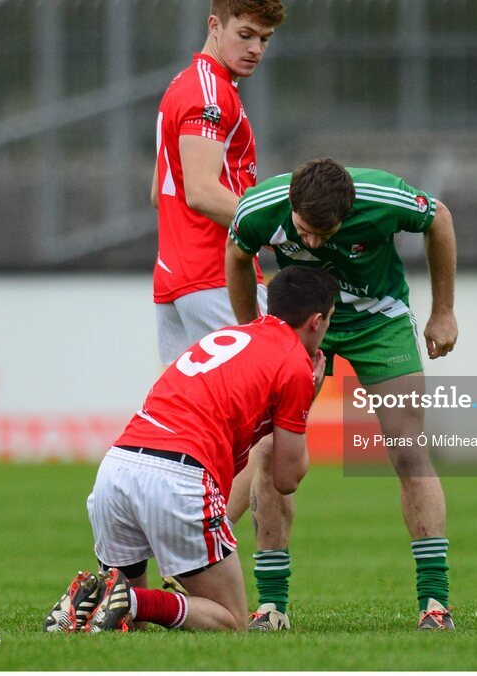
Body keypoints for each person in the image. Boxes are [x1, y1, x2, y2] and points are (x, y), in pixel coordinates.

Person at [225, 158, 459, 630]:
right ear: (291, 206)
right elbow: (235, 255)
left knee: (408, 451)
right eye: (303, 231)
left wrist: (444, 312)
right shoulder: (259, 208)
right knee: (268, 450)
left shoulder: (383, 198)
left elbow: (440, 219)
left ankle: (434, 604)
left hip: (379, 320)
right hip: (301, 325)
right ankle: (272, 607)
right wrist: (253, 332)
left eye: (324, 233)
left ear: (347, 214)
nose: (311, 243)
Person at [44, 266, 338, 633]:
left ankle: (93, 601)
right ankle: (130, 599)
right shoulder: (294, 363)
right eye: (328, 321)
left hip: (116, 468)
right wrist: (307, 399)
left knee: (124, 622)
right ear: (315, 321)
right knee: (230, 619)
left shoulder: (231, 334)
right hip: (177, 477)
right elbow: (286, 478)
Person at [150, 0, 284, 366]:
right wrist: (278, 229)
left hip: (174, 282)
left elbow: (159, 192)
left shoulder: (182, 84)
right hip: (215, 277)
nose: (256, 48)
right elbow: (202, 191)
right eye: (245, 35)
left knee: (195, 423)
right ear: (214, 24)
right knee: (259, 414)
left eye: (264, 39)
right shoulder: (210, 93)